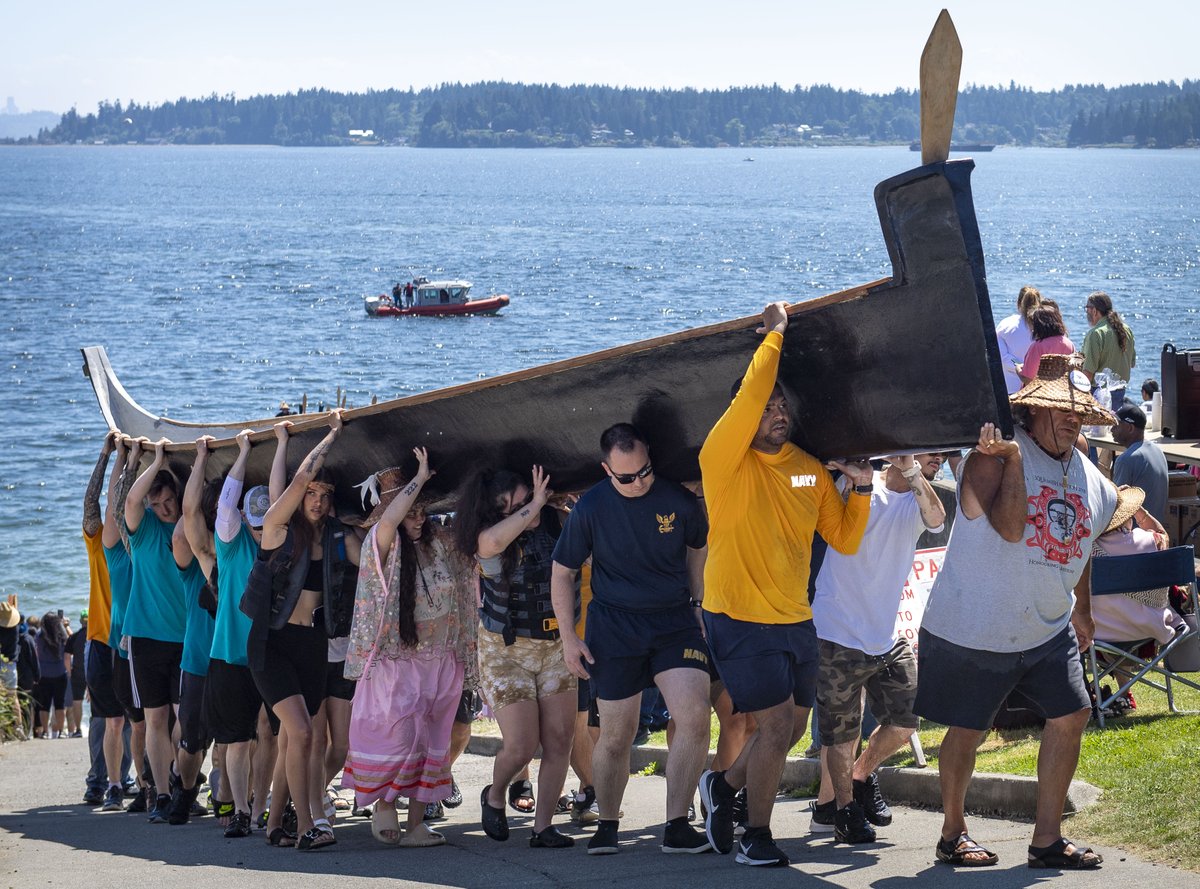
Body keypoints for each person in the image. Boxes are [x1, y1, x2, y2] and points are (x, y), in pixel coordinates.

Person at [914, 353, 1117, 869]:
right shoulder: (993, 456)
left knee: (1072, 714)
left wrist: (1083, 610)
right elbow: (1009, 528)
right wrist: (1018, 461)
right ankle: (952, 832)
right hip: (977, 624)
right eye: (1060, 409)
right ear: (1032, 410)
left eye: (1078, 411)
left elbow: (1084, 538)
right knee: (969, 728)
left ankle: (1046, 839)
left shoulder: (1090, 474)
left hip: (1046, 626)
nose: (1072, 418)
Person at [697, 301, 872, 868]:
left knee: (794, 727)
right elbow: (749, 394)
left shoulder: (806, 470)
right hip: (737, 617)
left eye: (781, 405)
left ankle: (722, 789)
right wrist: (775, 334)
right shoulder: (722, 459)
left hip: (795, 618)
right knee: (773, 724)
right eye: (766, 404)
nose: (775, 411)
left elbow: (843, 538)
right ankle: (756, 835)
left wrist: (863, 490)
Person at [551, 423, 712, 855]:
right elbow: (563, 571)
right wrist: (569, 638)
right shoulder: (591, 508)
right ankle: (607, 822)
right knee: (617, 735)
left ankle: (677, 823)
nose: (639, 482)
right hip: (613, 628)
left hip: (674, 622)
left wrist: (698, 601)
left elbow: (698, 545)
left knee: (695, 716)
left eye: (644, 471)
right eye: (627, 477)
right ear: (607, 470)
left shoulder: (677, 499)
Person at [343, 451, 479, 847]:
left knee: (432, 740)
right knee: (397, 737)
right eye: (412, 511)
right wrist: (418, 478)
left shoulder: (442, 543)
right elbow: (388, 520)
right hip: (397, 662)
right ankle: (384, 806)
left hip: (441, 660)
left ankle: (417, 822)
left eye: (424, 511)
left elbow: (478, 535)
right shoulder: (381, 546)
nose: (419, 518)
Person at [808, 453, 946, 843]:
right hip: (837, 632)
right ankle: (845, 811)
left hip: (885, 637)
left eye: (940, 455)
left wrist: (913, 469)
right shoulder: (856, 484)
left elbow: (936, 520)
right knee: (840, 733)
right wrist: (880, 468)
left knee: (905, 721)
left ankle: (861, 774)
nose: (937, 458)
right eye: (929, 451)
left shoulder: (919, 499)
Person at [247, 413, 359, 851]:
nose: (315, 499)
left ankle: (276, 821)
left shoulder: (335, 539)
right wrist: (329, 436)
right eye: (311, 492)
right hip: (271, 644)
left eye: (324, 494)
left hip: (312, 644)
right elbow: (288, 490)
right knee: (305, 734)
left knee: (299, 738)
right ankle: (308, 823)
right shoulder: (277, 533)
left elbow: (375, 553)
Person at [454, 465, 578, 849]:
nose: (530, 508)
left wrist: (557, 507)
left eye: (529, 497)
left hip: (556, 646)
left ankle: (543, 828)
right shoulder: (489, 540)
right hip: (505, 651)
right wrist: (536, 504)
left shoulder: (558, 523)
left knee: (559, 740)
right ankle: (495, 794)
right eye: (516, 506)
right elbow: (489, 543)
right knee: (522, 744)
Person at [206, 429, 276, 839]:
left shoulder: (278, 543)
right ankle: (240, 807)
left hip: (267, 653)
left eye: (264, 522)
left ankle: (260, 806)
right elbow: (227, 503)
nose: (257, 528)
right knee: (236, 738)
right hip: (230, 652)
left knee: (266, 733)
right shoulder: (230, 544)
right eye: (254, 522)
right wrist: (244, 452)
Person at [123, 438, 187, 822]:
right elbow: (130, 502)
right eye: (157, 504)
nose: (163, 510)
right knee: (156, 718)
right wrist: (157, 459)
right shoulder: (143, 527)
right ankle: (161, 794)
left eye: (168, 503)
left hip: (184, 638)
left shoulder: (188, 524)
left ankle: (182, 781)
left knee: (187, 720)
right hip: (145, 637)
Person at [1111, 404, 1169, 525]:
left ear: (1130, 428)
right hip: (1157, 531)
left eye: (1116, 424)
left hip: (1136, 535)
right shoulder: (1158, 450)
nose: (1112, 429)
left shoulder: (1126, 460)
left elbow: (1116, 507)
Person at [1081, 291, 1136, 410]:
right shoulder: (1127, 330)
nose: (1087, 313)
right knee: (1112, 427)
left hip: (1099, 395)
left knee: (1098, 428)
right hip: (1119, 391)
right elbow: (1132, 363)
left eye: (1087, 309)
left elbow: (1088, 373)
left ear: (1094, 310)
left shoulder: (1096, 334)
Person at [995, 285, 1043, 395]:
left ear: (1018, 302)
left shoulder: (1005, 325)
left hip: (1011, 389)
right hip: (1039, 392)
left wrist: (1020, 365)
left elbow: (1002, 357)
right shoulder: (1045, 326)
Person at [1019, 301, 1075, 385]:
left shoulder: (1038, 346)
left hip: (1040, 394)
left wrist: (1018, 370)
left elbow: (1028, 379)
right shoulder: (1069, 344)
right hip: (1061, 392)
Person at [33, 611, 70, 739]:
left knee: (44, 705)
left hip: (44, 674)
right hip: (60, 673)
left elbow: (37, 655)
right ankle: (61, 732)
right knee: (60, 704)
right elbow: (67, 655)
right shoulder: (62, 636)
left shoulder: (39, 636)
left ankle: (44, 732)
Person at [1, 595, 27, 740]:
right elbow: (20, 617)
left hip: (0, 663)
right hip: (11, 666)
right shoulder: (16, 629)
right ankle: (19, 727)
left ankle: (4, 729)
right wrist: (13, 607)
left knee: (2, 698)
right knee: (13, 697)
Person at [65, 613, 87, 738]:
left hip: (78, 672)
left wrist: (69, 673)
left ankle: (78, 730)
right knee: (96, 700)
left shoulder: (74, 637)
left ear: (80, 621)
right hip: (93, 672)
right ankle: (100, 725)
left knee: (77, 701)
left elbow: (67, 657)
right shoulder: (95, 636)